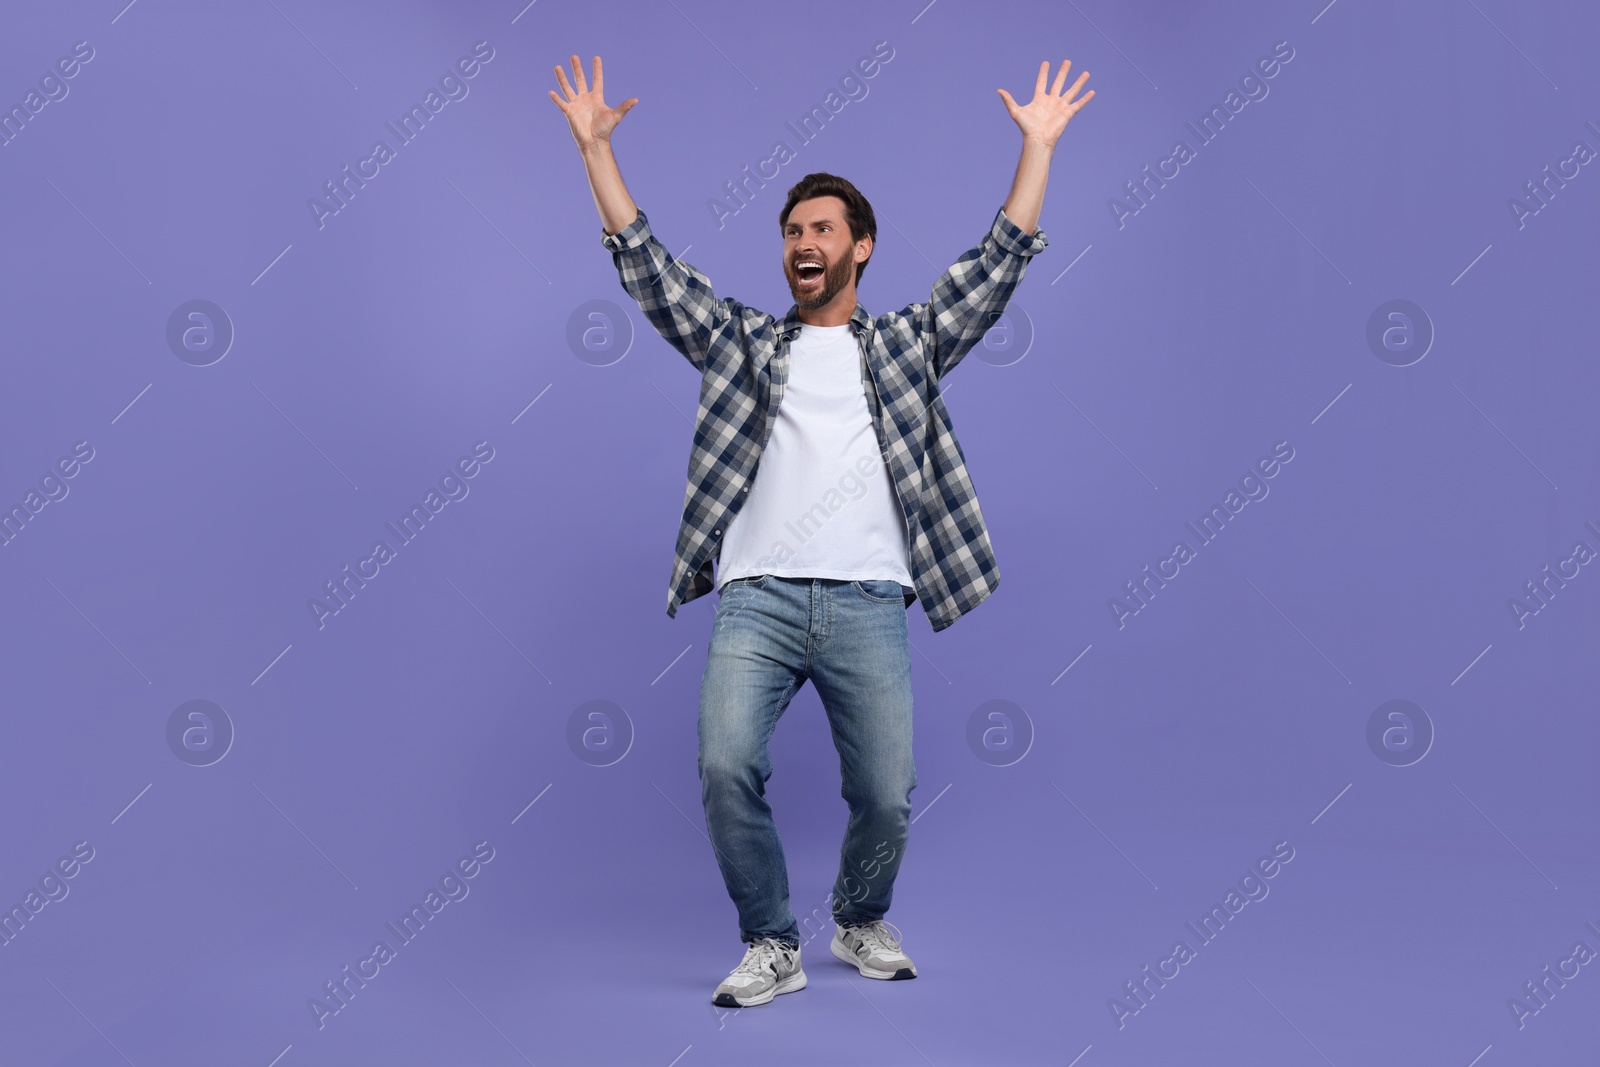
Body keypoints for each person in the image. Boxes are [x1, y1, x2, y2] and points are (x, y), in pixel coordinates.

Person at [550, 53, 1095, 1008]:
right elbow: (648, 265)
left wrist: (1038, 147)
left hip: (868, 599)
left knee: (886, 793)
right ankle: (772, 940)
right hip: (757, 596)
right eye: (792, 231)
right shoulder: (746, 342)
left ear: (862, 247)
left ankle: (857, 914)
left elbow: (998, 263)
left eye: (822, 229)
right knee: (724, 768)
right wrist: (596, 151)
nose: (803, 242)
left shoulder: (907, 345)